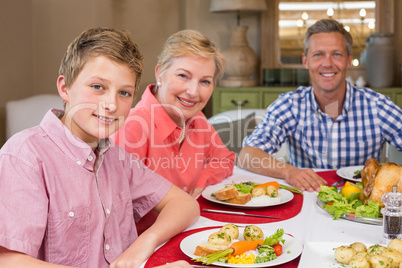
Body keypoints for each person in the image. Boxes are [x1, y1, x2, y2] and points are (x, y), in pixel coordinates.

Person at [0, 27, 199, 268]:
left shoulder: (116, 158)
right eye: (97, 87)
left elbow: (185, 204)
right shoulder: (24, 157)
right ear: (64, 87)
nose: (111, 104)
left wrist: (144, 243)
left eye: (124, 93)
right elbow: (8, 261)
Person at [238, 19, 402, 192]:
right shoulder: (289, 105)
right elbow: (247, 155)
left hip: (362, 209)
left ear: (348, 60)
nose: (327, 63)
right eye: (318, 55)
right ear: (305, 61)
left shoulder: (377, 106)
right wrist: (289, 172)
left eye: (337, 54)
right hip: (307, 203)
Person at [111, 29, 235, 198]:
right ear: (159, 74)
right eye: (183, 75)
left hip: (192, 221)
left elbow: (224, 159)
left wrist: (201, 181)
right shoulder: (133, 126)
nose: (193, 92)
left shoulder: (198, 119)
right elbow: (122, 202)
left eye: (205, 81)